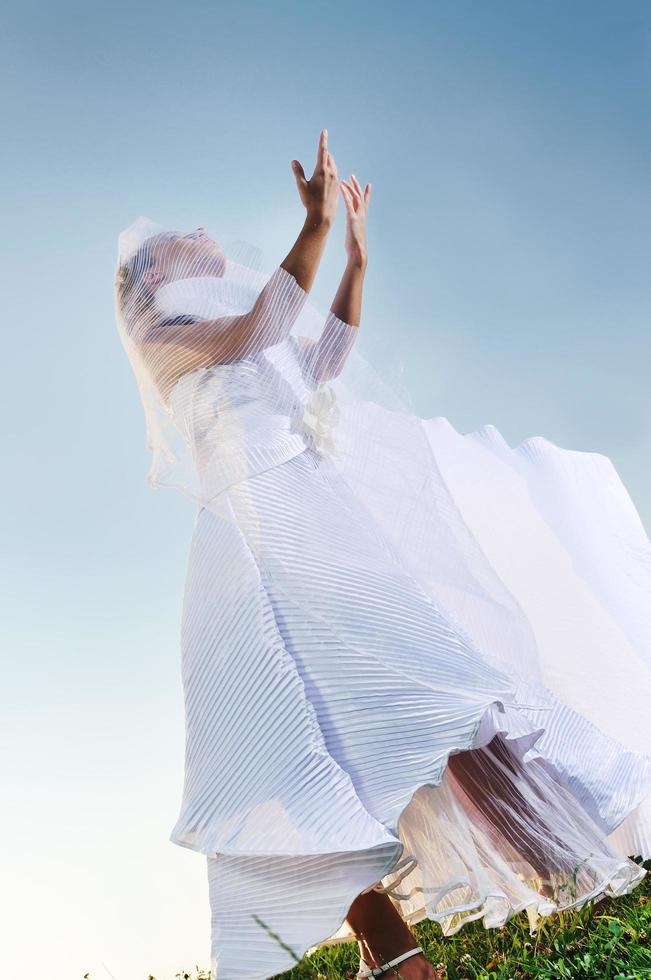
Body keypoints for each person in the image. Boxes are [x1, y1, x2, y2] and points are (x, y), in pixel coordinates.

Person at [115, 130, 651, 980]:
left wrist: (354, 256)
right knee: (290, 745)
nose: (212, 246)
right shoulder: (167, 339)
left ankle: (554, 870)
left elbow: (320, 358)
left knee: (437, 691)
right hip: (257, 541)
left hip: (311, 519)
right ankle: (393, 954)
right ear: (154, 276)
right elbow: (262, 323)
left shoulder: (231, 324)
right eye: (193, 245)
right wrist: (317, 228)